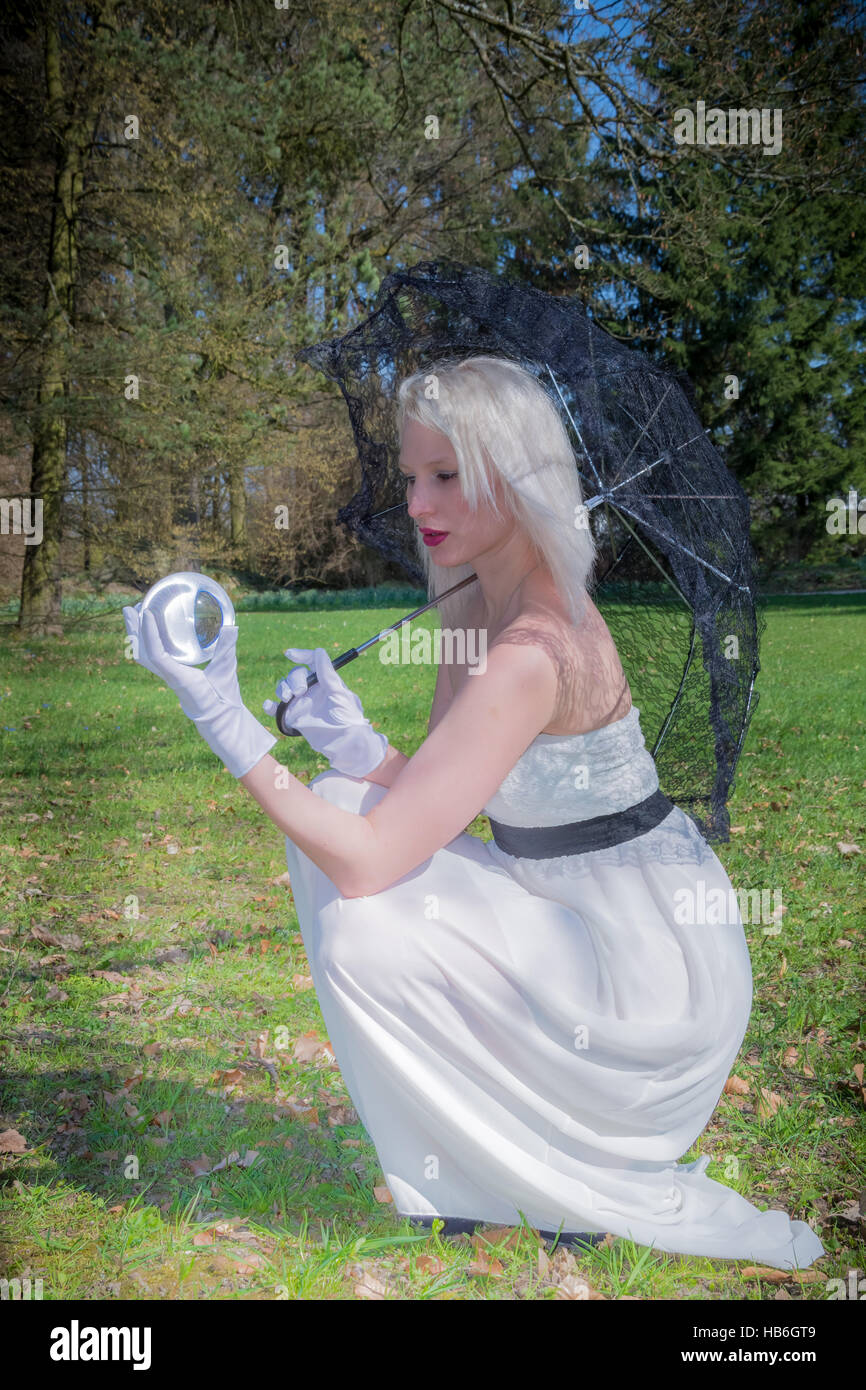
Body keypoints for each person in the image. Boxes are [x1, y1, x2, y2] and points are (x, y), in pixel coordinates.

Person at [123, 355, 825, 1270]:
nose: (419, 501)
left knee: (361, 916)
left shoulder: (533, 647)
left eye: (446, 476)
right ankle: (480, 1169)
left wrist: (222, 720)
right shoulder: (469, 601)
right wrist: (363, 748)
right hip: (557, 900)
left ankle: (556, 1158)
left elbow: (373, 859)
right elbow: (450, 798)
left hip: (640, 964)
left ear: (516, 478)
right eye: (412, 475)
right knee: (338, 806)